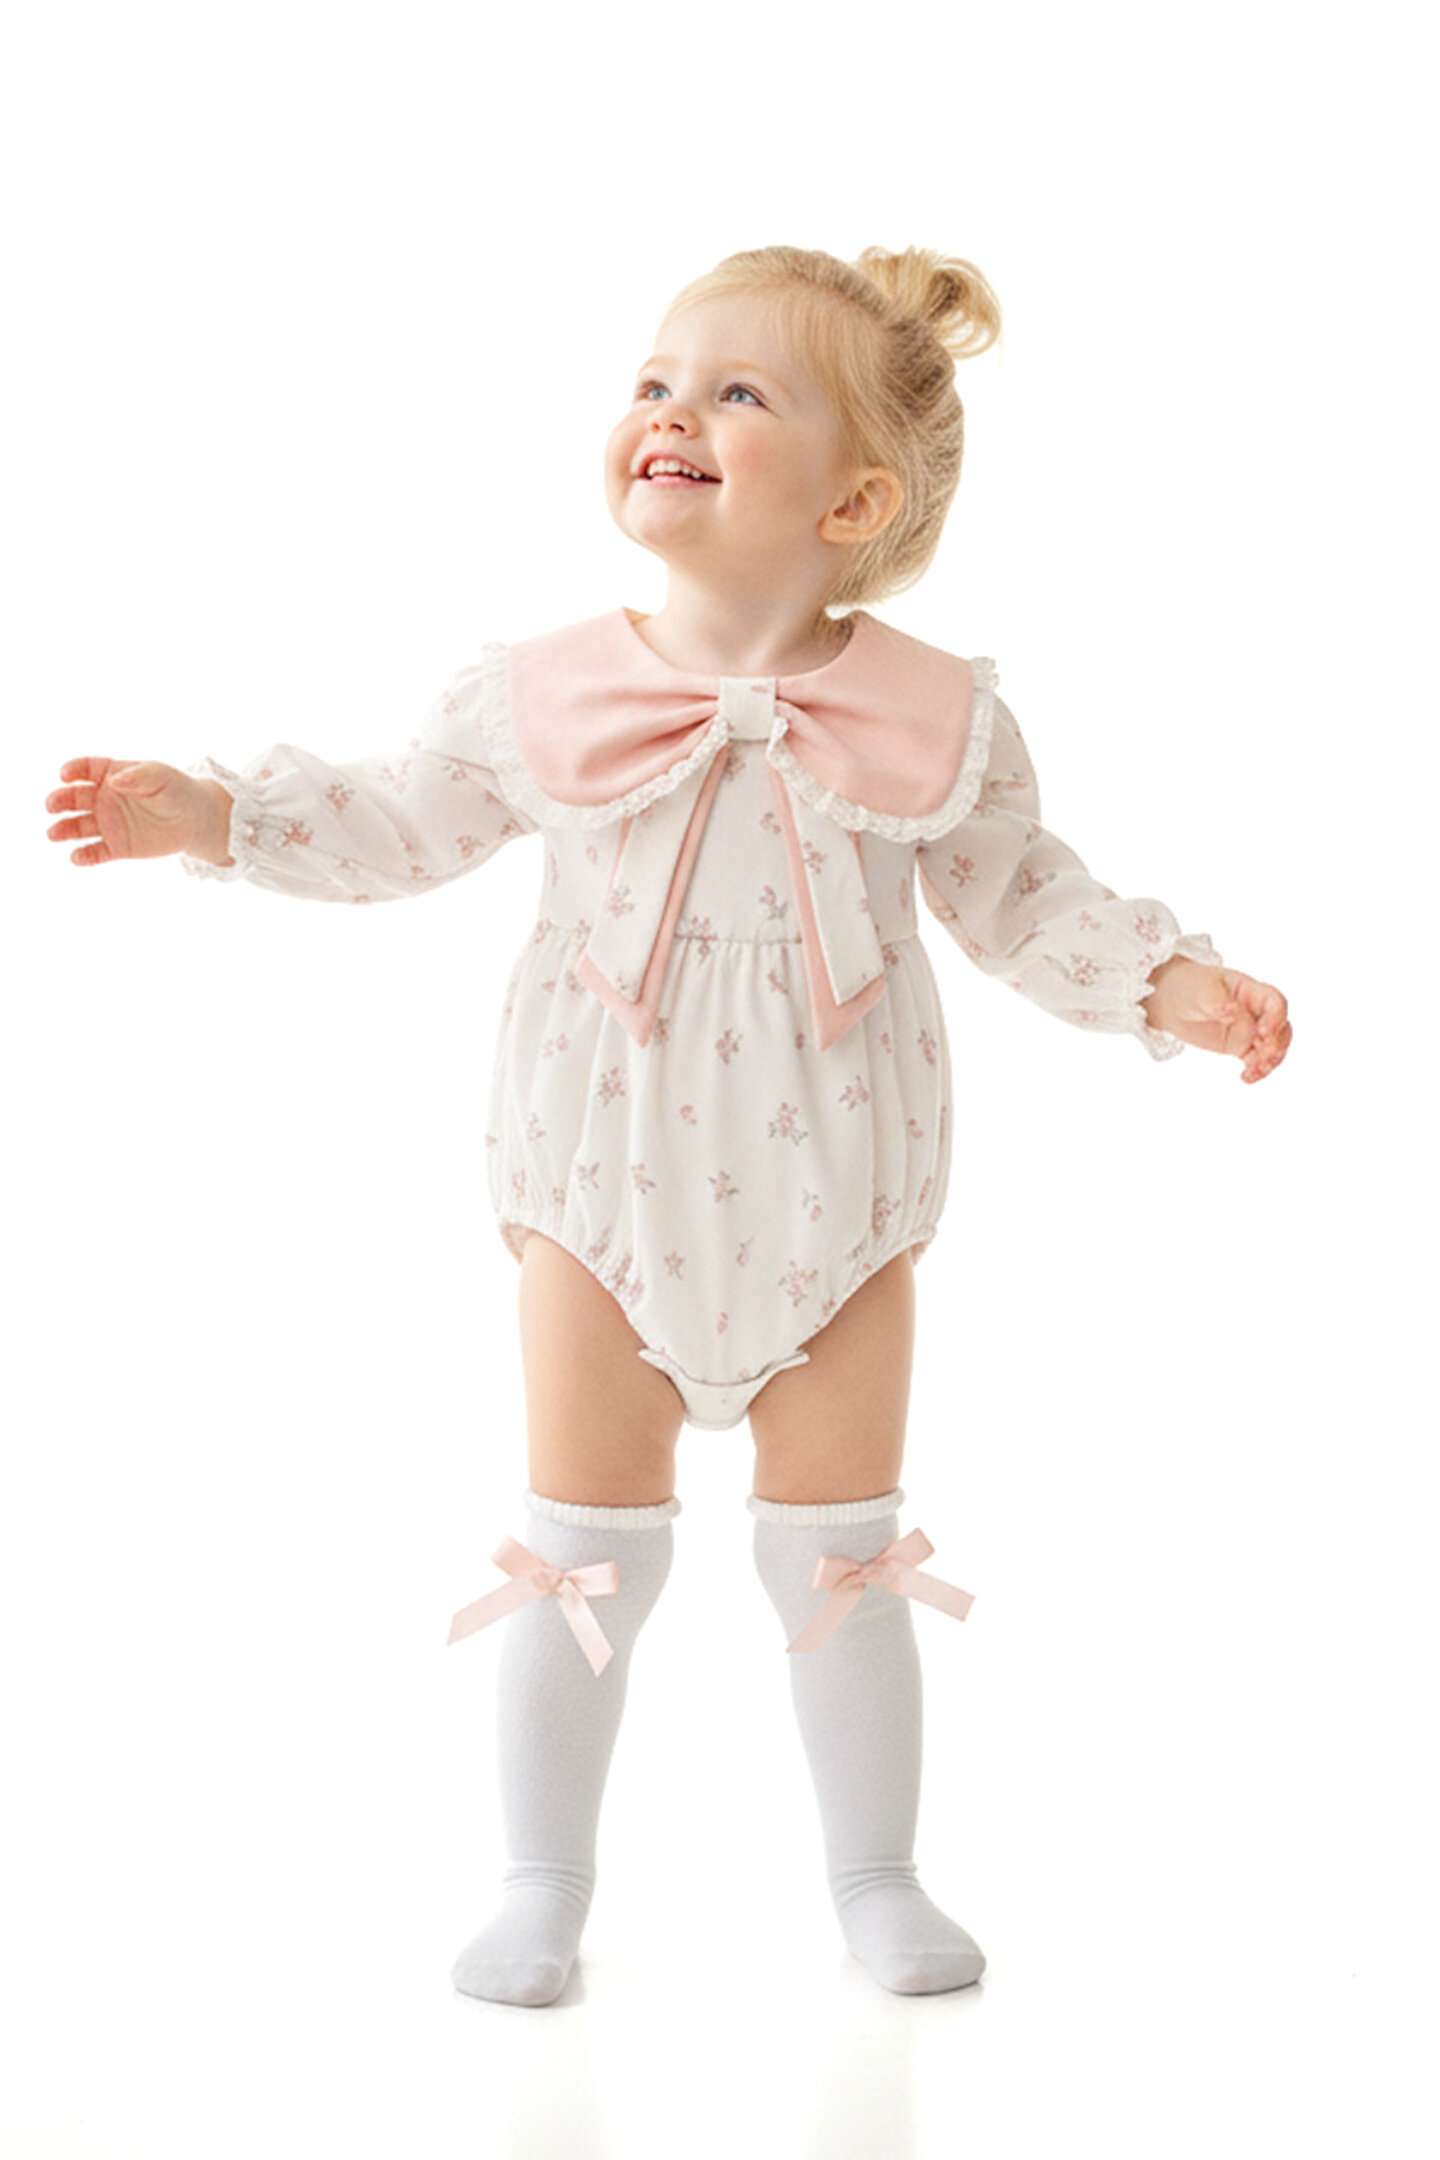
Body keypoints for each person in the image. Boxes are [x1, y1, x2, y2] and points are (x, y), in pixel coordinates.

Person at [44, 244, 1291, 2009]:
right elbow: (401, 824)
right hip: (597, 1181)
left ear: (854, 501)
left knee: (842, 1550)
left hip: (841, 1188)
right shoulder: (539, 690)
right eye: (655, 379)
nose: (670, 409)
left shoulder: (936, 715)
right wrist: (217, 815)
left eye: (735, 392)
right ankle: (540, 1882)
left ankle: (877, 1877)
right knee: (581, 1543)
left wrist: (1169, 983)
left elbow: (1023, 895)